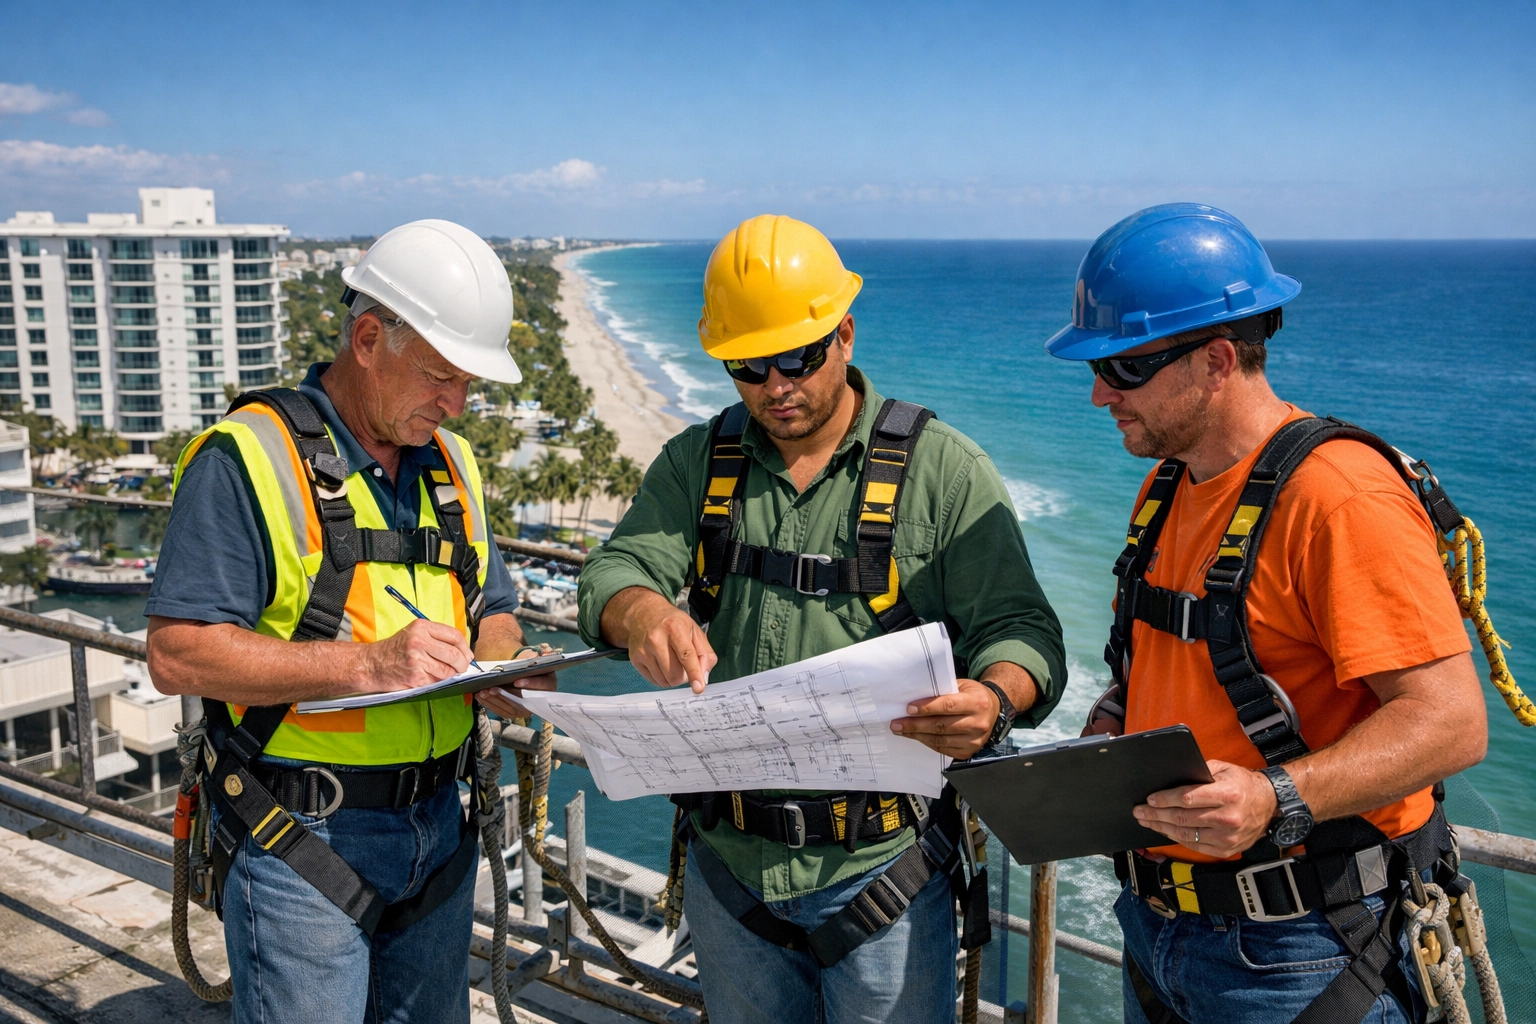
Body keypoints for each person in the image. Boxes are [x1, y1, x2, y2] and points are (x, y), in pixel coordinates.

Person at [577, 214, 1066, 1023]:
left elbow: (1022, 629)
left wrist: (995, 698)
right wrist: (643, 614)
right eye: (748, 366)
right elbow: (615, 571)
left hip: (883, 876)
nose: (776, 387)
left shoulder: (944, 472)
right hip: (730, 871)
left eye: (797, 359)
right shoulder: (698, 462)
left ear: (843, 335)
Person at [1047, 203, 1488, 1024]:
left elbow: (1452, 723)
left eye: (1126, 366)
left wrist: (1276, 796)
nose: (1101, 392)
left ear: (1217, 360)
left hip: (1303, 949)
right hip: (1159, 925)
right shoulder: (1170, 482)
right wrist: (1112, 729)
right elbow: (1179, 665)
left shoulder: (1339, 498)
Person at [145, 219, 551, 1023]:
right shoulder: (247, 458)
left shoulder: (452, 464)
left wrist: (502, 664)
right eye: (441, 377)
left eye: (469, 384)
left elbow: (492, 608)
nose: (457, 403)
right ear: (368, 339)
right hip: (302, 836)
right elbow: (179, 654)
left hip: (440, 829)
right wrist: (367, 666)